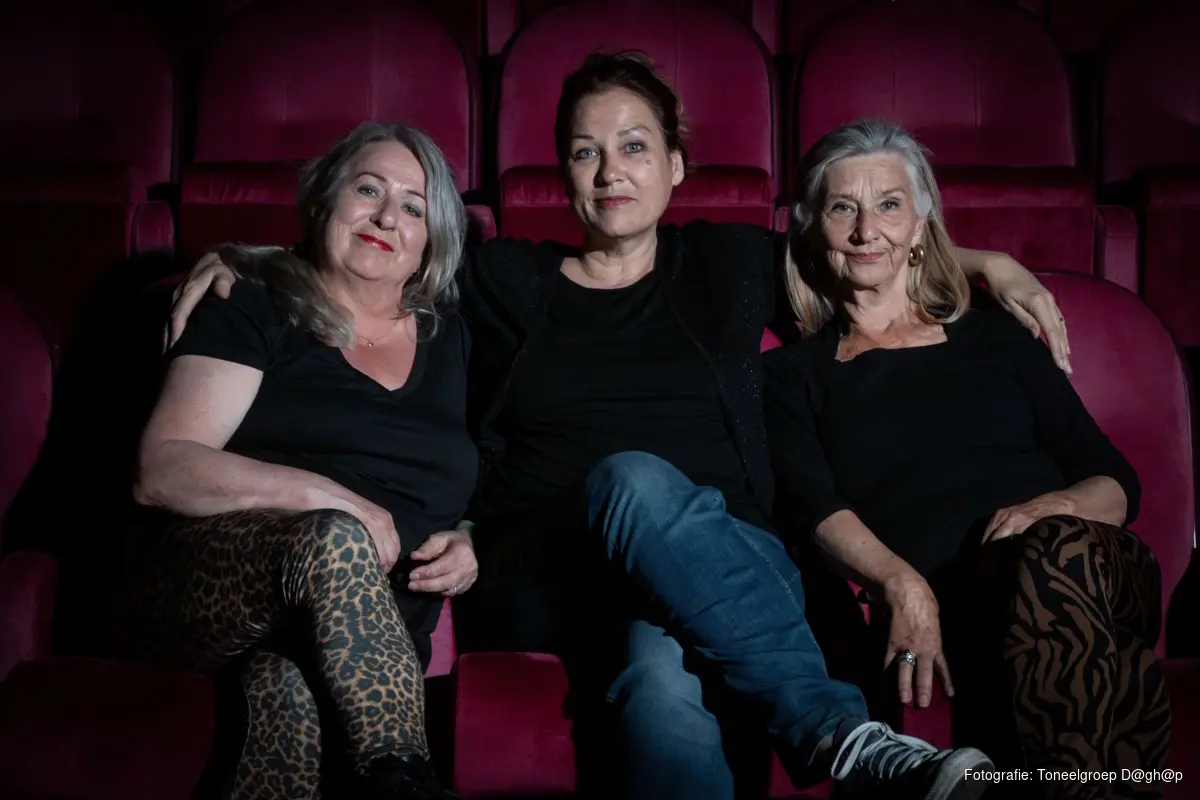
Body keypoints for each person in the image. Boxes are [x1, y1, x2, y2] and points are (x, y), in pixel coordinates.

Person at [168, 53, 1074, 800]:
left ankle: (843, 741)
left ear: (676, 165)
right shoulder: (507, 279)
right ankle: (846, 739)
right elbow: (375, 256)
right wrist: (246, 259)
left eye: (635, 147)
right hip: (553, 567)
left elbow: (863, 246)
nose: (612, 174)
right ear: (562, 172)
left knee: (657, 675)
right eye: (585, 152)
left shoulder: (727, 262)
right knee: (629, 478)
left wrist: (992, 263)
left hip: (728, 564)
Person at [763, 118, 1171, 800]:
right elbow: (814, 509)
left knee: (1057, 554)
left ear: (920, 225)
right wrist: (901, 584)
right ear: (812, 229)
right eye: (842, 209)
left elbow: (1115, 482)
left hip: (1089, 568)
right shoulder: (794, 377)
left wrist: (1049, 512)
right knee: (1098, 666)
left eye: (889, 205)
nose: (867, 231)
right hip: (964, 598)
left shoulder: (994, 336)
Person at [114, 122, 480, 800]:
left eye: (412, 206)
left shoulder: (453, 337)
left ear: (432, 240)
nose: (386, 217)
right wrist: (328, 497)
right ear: (323, 200)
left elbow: (497, 469)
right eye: (367, 189)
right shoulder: (254, 304)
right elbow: (160, 469)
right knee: (335, 538)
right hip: (210, 594)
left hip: (357, 643)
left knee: (284, 698)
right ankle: (404, 778)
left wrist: (468, 535)